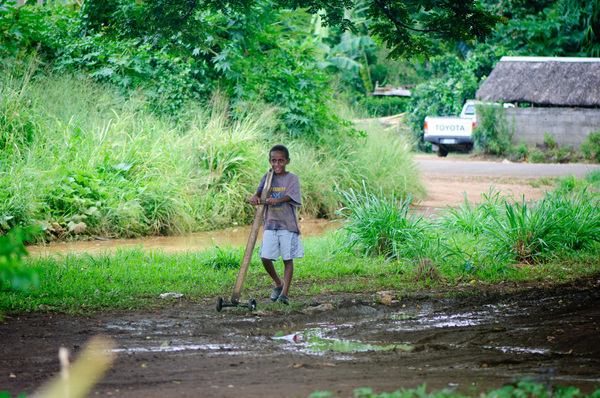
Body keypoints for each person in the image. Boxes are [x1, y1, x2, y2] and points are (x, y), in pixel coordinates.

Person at [248, 144, 304, 305]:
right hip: (271, 224)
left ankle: (284, 294)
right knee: (265, 257)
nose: (277, 164)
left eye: (280, 161)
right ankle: (278, 283)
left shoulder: (292, 178)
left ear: (287, 161)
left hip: (287, 225)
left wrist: (276, 200)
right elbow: (259, 190)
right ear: (269, 161)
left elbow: (290, 196)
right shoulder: (267, 176)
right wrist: (255, 197)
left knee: (287, 258)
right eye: (274, 161)